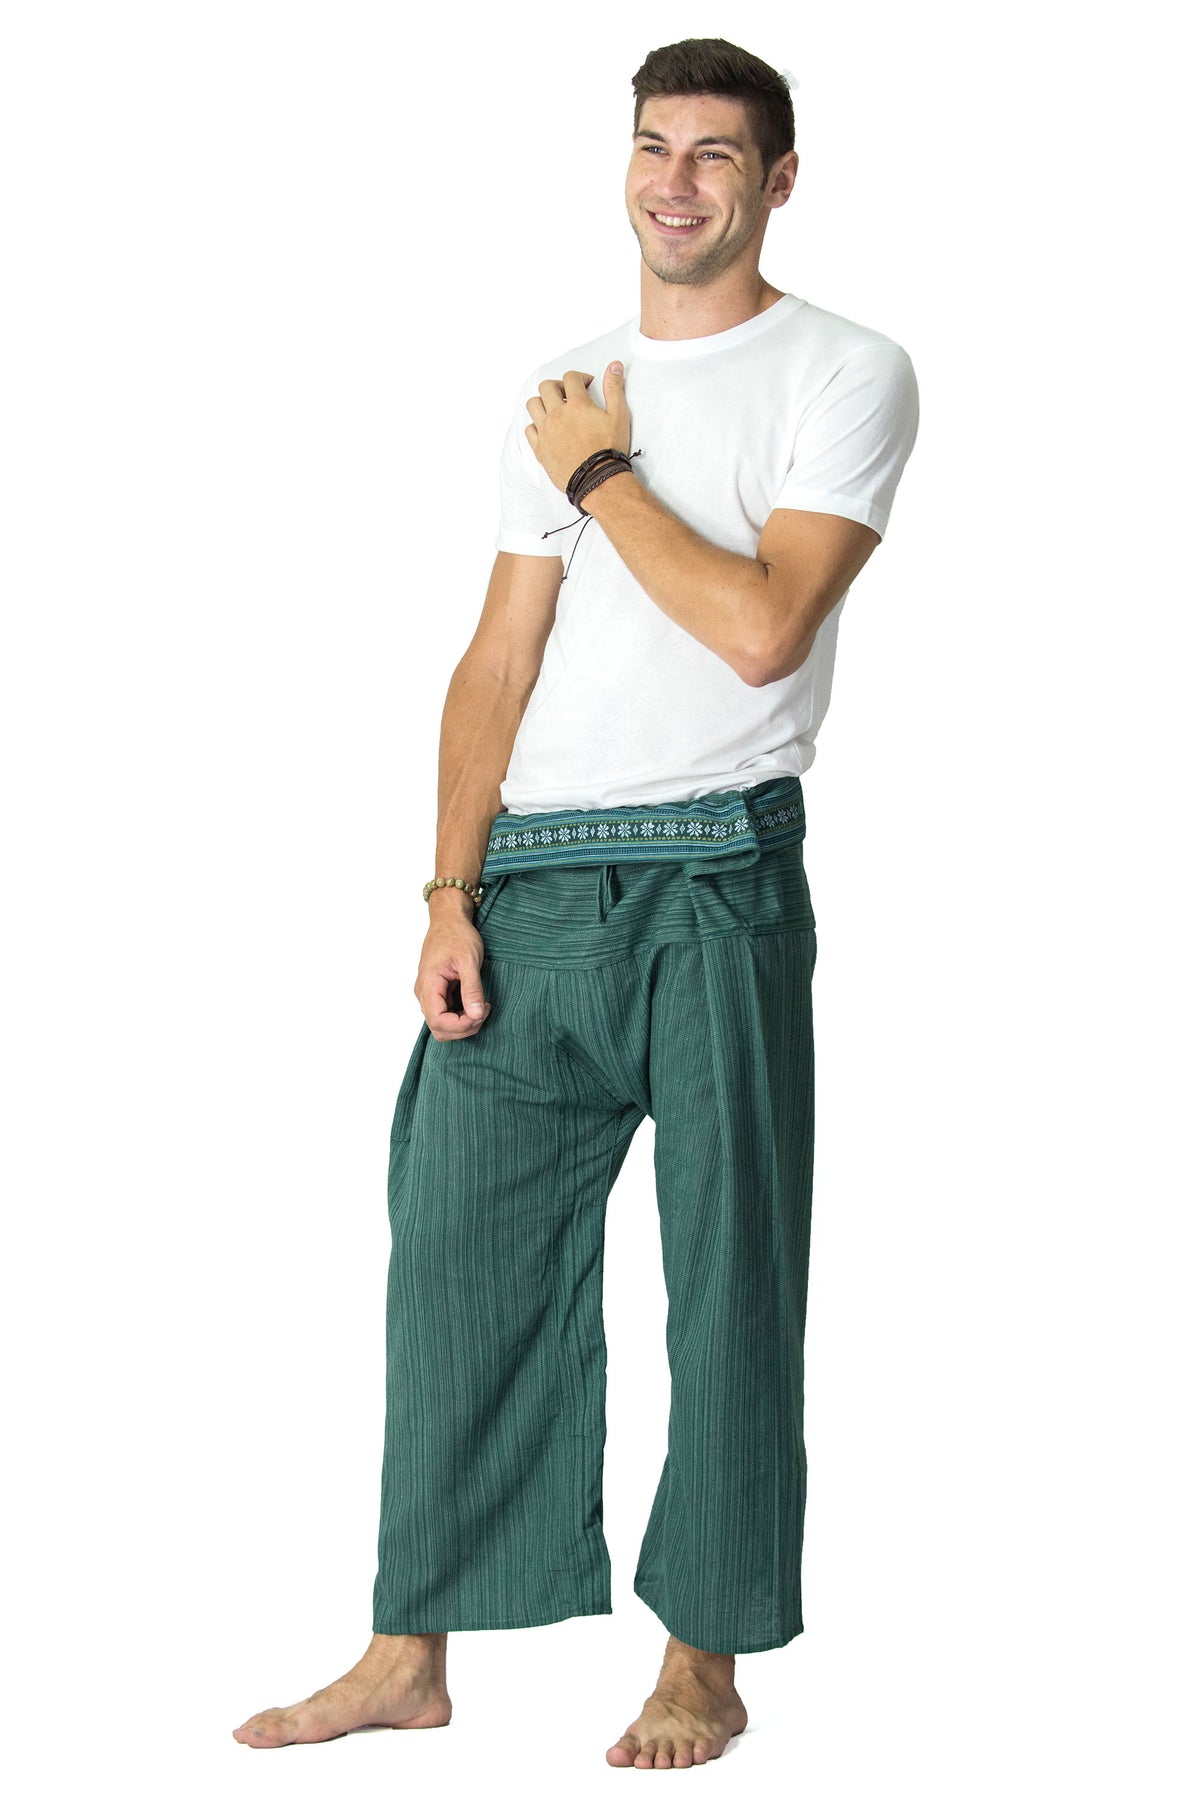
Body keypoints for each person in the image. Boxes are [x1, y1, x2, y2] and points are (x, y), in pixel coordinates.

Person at [233, 35, 919, 1771]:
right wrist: (445, 892)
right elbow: (495, 661)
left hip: (717, 876)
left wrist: (607, 477)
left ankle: (704, 1663)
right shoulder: (563, 388)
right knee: (451, 1262)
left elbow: (763, 627)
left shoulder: (844, 370)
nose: (674, 183)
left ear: (778, 181)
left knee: (731, 1279)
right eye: (651, 147)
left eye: (715, 154)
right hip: (529, 888)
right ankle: (409, 1648)